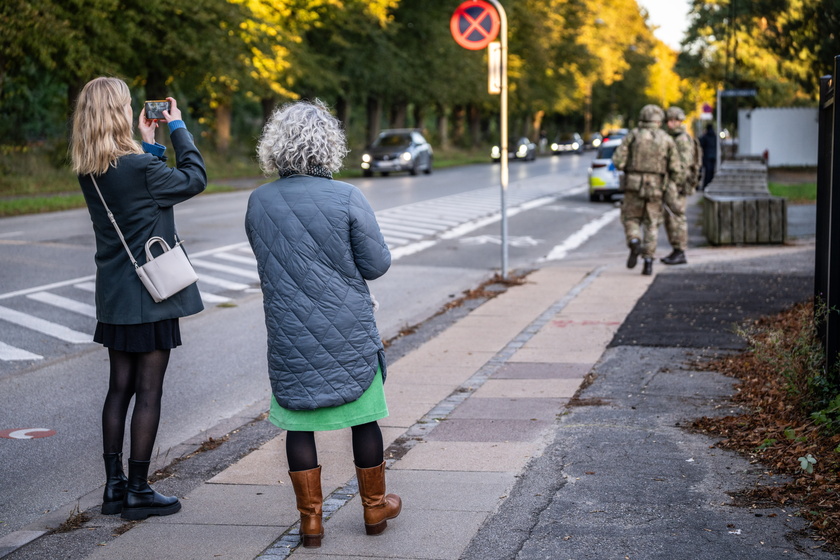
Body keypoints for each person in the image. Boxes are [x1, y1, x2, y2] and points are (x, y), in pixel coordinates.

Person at [245, 99, 401, 548]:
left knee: (298, 424)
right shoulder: (348, 196)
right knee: (365, 419)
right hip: (347, 326)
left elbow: (269, 261)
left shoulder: (259, 201)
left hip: (289, 329)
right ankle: (374, 509)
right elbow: (375, 265)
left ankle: (310, 522)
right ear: (328, 146)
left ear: (276, 147)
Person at [70, 77, 206, 520]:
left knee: (119, 389)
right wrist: (179, 129)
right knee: (149, 391)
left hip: (115, 296)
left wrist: (148, 143)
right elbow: (193, 179)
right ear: (117, 111)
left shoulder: (89, 169)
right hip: (151, 293)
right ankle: (140, 490)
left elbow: (136, 189)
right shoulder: (140, 170)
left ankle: (114, 489)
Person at [612, 104, 683, 276]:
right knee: (652, 223)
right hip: (656, 186)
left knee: (630, 218)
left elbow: (617, 161)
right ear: (659, 121)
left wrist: (628, 167)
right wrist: (673, 184)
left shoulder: (633, 136)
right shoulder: (666, 139)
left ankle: (635, 241)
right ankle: (649, 261)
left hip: (633, 185)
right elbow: (676, 168)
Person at [661, 106, 700, 266]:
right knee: (671, 218)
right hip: (674, 184)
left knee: (677, 218)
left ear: (679, 121)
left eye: (672, 121)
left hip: (677, 185)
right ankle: (676, 250)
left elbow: (684, 165)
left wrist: (676, 184)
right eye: (668, 121)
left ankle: (680, 251)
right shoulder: (676, 137)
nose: (670, 124)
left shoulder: (682, 139)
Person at [699, 123, 718, 189]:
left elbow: (700, 143)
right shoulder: (715, 136)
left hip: (707, 156)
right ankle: (711, 185)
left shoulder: (705, 136)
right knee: (712, 171)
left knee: (707, 172)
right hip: (713, 156)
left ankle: (706, 185)